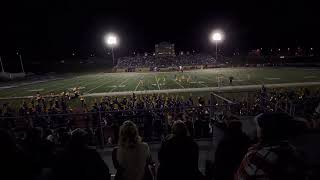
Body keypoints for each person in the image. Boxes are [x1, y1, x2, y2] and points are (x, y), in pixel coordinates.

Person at [235, 112, 305, 180]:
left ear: (265, 130)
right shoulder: (294, 151)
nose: (256, 129)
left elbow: (241, 177)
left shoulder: (256, 157)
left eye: (259, 126)